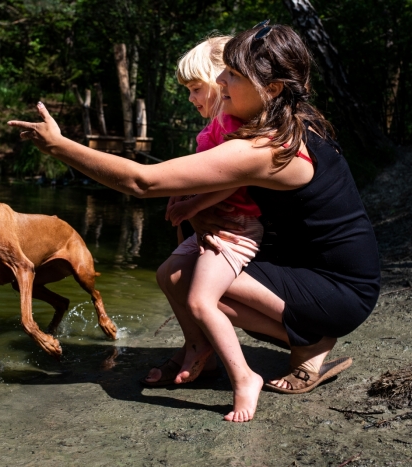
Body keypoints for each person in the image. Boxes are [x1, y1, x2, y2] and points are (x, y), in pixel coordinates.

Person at [8, 21, 381, 423]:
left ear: (271, 89)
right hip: (312, 270)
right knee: (176, 271)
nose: (220, 81)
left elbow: (142, 180)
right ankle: (203, 353)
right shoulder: (287, 118)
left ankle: (310, 341)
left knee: (194, 283)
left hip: (338, 290)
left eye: (233, 75)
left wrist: (59, 146)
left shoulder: (267, 149)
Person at [146, 36, 265, 388]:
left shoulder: (232, 126)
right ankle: (198, 347)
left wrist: (191, 205)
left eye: (196, 88)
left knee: (200, 298)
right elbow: (196, 173)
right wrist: (179, 195)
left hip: (235, 226)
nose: (191, 98)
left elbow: (231, 180)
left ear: (221, 82)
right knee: (167, 274)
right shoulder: (215, 127)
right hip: (217, 222)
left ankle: (242, 375)